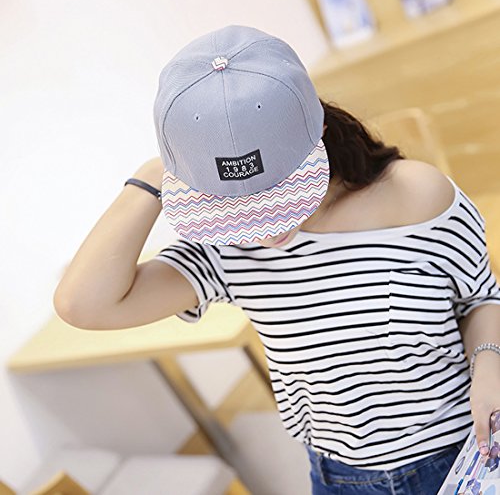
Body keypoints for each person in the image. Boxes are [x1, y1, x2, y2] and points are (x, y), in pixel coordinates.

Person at [53, 25, 500, 494]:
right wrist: (155, 174)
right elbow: (82, 305)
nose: (264, 231)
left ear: (318, 128)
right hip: (338, 478)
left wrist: (488, 365)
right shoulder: (224, 245)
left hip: (465, 455)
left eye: (277, 196)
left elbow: (482, 298)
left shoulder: (418, 197)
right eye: (234, 205)